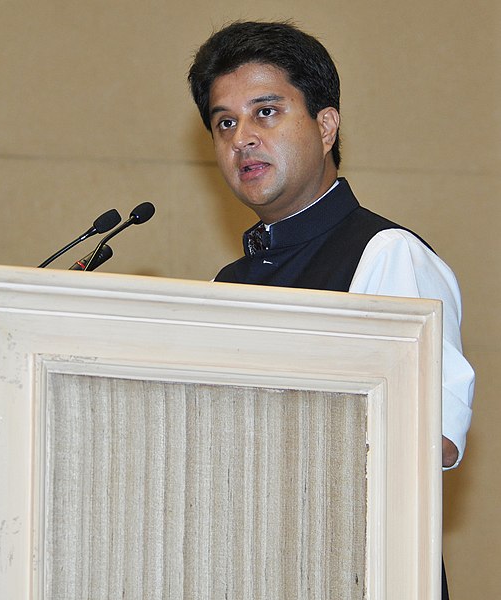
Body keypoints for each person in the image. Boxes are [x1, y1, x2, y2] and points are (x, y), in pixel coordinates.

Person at [188, 20, 474, 598]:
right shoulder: (231, 283)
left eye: (265, 112)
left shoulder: (385, 254)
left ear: (325, 126)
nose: (241, 136)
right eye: (225, 122)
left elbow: (430, 439)